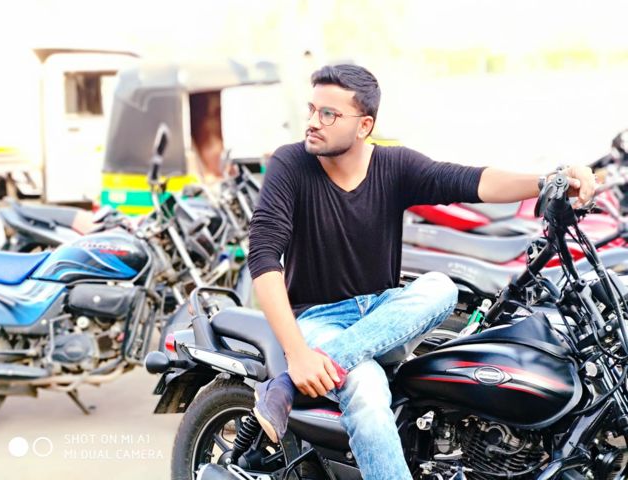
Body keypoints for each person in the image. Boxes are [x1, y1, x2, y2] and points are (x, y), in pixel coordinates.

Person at [246, 64, 595, 480]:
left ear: (364, 126)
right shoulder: (290, 164)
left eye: (328, 114)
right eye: (312, 110)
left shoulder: (393, 165)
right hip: (318, 321)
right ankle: (305, 377)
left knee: (441, 287)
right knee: (367, 392)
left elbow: (472, 181)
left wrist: (549, 180)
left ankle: (285, 387)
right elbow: (263, 258)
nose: (312, 122)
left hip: (383, 314)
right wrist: (299, 354)